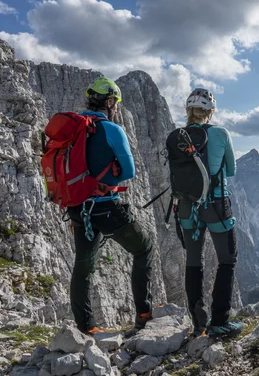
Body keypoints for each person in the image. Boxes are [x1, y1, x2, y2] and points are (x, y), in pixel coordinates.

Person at [66, 77, 155, 335]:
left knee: (83, 266)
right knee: (144, 247)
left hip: (78, 208)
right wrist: (109, 176)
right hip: (106, 208)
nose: (115, 107)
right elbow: (129, 171)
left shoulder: (73, 128)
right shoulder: (113, 130)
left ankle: (86, 328)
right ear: (109, 102)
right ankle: (144, 313)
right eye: (114, 102)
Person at [177, 88, 242, 338]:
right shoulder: (220, 134)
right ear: (210, 111)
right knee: (227, 258)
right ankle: (220, 320)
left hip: (186, 207)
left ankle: (198, 323)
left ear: (188, 111)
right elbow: (231, 169)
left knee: (194, 261)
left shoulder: (176, 136)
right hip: (215, 206)